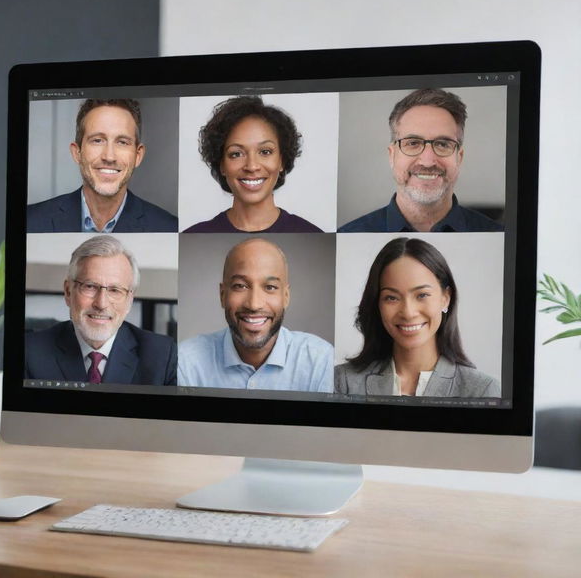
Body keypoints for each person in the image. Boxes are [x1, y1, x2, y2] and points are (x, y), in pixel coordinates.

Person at [334, 237, 500, 397]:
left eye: (422, 295)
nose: (408, 312)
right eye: (391, 297)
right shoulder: (341, 382)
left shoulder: (483, 390)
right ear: (377, 303)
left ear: (445, 298)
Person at [178, 238, 333, 391]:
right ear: (222, 295)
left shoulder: (321, 361)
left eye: (270, 287)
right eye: (240, 286)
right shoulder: (185, 361)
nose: (254, 304)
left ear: (286, 297)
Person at [338, 88, 503, 232]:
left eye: (442, 144)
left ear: (459, 158)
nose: (428, 161)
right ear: (392, 155)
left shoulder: (498, 233)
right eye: (413, 143)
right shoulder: (349, 233)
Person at [25, 235, 177, 385]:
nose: (101, 303)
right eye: (90, 286)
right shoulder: (29, 352)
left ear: (130, 300)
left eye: (115, 290)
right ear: (68, 292)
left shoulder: (163, 356)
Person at [27, 98, 178, 232]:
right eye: (97, 140)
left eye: (122, 142)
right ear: (77, 152)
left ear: (138, 156)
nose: (109, 157)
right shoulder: (30, 221)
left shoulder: (168, 226)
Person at [183, 96, 322, 232]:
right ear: (222, 165)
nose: (252, 166)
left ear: (282, 161)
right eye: (236, 154)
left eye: (265, 152)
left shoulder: (311, 232)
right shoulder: (194, 233)